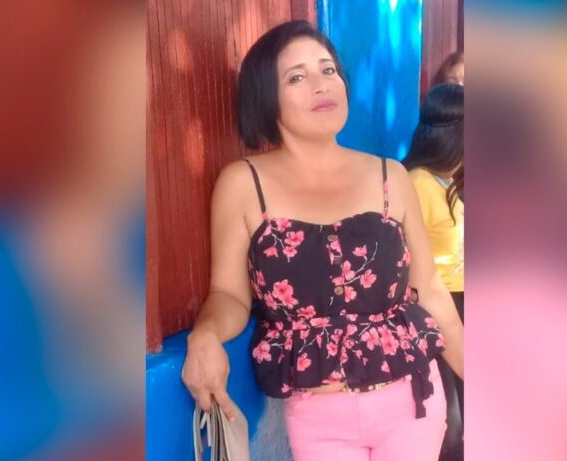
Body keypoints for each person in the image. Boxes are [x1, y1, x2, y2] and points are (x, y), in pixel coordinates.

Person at [181, 21, 464, 461]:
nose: (321, 84)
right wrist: (205, 335)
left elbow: (429, 290)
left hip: (411, 402)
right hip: (318, 417)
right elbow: (229, 295)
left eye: (328, 70)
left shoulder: (390, 176)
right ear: (266, 97)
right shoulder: (243, 184)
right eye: (297, 76)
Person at [403, 83, 465, 461]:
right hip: (437, 307)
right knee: (450, 422)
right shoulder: (417, 184)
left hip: (467, 303)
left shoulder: (455, 181)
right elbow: (408, 263)